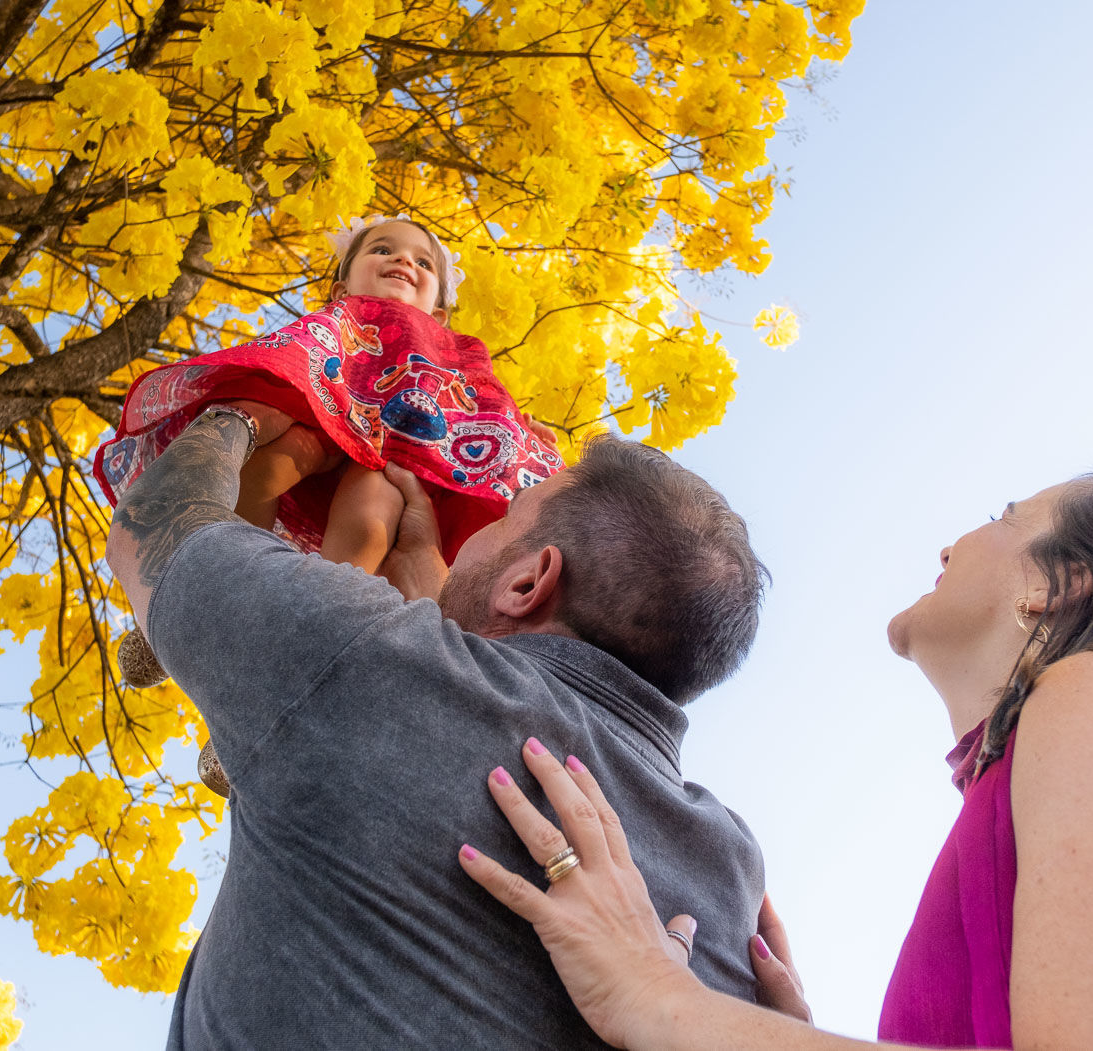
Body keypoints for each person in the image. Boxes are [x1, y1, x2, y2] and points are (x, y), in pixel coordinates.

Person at [460, 463, 1093, 1050]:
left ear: (1059, 583)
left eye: (1004, 517)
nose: (951, 543)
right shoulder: (1061, 758)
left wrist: (668, 1002)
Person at [105, 413, 772, 1048]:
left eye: (509, 515)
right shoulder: (732, 871)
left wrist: (257, 413)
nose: (477, 534)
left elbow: (154, 524)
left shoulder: (365, 660)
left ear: (529, 581)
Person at [94, 215, 562, 790]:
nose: (404, 263)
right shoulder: (338, 321)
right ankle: (178, 601)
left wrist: (524, 438)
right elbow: (285, 367)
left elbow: (488, 408)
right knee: (262, 468)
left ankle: (268, 681)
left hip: (401, 448)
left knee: (369, 527)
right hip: (323, 410)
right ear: (342, 287)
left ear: (441, 308)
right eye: (383, 250)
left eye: (423, 262)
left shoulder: (456, 349)